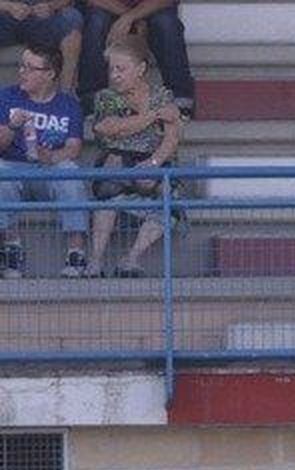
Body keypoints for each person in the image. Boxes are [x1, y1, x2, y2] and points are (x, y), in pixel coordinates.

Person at [85, 34, 181, 279]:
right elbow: (110, 127)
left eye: (121, 69)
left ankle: (130, 260)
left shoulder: (162, 95)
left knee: (169, 209)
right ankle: (94, 262)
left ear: (140, 69)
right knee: (109, 195)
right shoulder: (106, 97)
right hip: (117, 161)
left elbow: (172, 136)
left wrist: (153, 163)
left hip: (153, 161)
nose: (114, 74)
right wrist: (152, 116)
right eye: (112, 69)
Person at [0, 44, 89, 279]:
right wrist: (11, 126)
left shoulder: (68, 105)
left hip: (49, 169)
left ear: (50, 74)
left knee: (70, 172)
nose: (22, 72)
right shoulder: (7, 97)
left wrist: (50, 157)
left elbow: (74, 148)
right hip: (14, 167)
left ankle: (76, 253)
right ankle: (12, 250)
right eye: (22, 65)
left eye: (30, 68)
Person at [79, 0, 195, 116]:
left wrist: (129, 18)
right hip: (109, 9)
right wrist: (129, 18)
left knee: (167, 23)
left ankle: (181, 97)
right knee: (96, 22)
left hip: (150, 10)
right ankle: (92, 98)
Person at [0, 0, 81, 93]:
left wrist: (51, 6)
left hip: (41, 18)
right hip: (5, 16)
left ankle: (65, 94)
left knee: (72, 18)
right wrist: (8, 6)